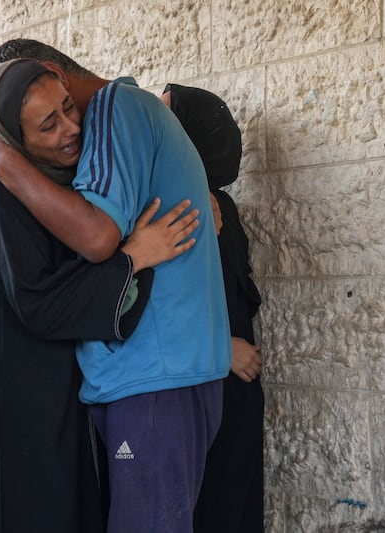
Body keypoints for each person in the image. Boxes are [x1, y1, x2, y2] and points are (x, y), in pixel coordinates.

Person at [0, 41, 232, 533]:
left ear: (54, 73)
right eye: (45, 126)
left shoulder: (116, 108)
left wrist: (5, 165)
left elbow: (96, 237)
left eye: (64, 110)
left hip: (154, 378)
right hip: (159, 375)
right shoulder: (124, 117)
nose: (69, 129)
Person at [162, 84, 264, 532]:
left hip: (223, 387)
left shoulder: (212, 208)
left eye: (166, 119)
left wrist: (222, 348)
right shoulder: (180, 206)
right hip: (208, 373)